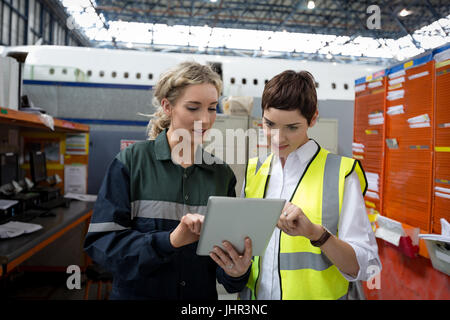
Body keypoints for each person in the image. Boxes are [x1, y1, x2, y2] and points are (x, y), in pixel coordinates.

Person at [84, 61, 252, 300]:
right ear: (167, 106)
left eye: (212, 108)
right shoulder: (130, 163)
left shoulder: (221, 175)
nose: (205, 120)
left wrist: (236, 272)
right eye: (193, 108)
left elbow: (223, 264)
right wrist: (170, 241)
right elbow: (102, 245)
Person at [240, 70, 381, 300]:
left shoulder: (341, 174)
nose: (277, 138)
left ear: (313, 119)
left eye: (292, 127)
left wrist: (316, 233)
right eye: (270, 124)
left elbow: (366, 267)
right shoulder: (254, 170)